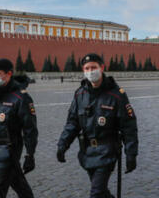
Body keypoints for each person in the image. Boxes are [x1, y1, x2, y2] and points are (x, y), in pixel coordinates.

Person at [56, 53, 139, 198]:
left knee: (96, 193)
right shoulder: (80, 94)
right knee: (101, 193)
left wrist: (131, 153)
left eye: (93, 67)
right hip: (87, 151)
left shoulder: (116, 95)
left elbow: (129, 126)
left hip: (107, 151)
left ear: (102, 68)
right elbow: (72, 122)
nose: (90, 71)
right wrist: (63, 145)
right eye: (87, 68)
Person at [0, 58, 38, 198]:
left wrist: (29, 154)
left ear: (8, 74)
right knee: (20, 185)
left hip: (9, 151)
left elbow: (30, 129)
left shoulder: (21, 97)